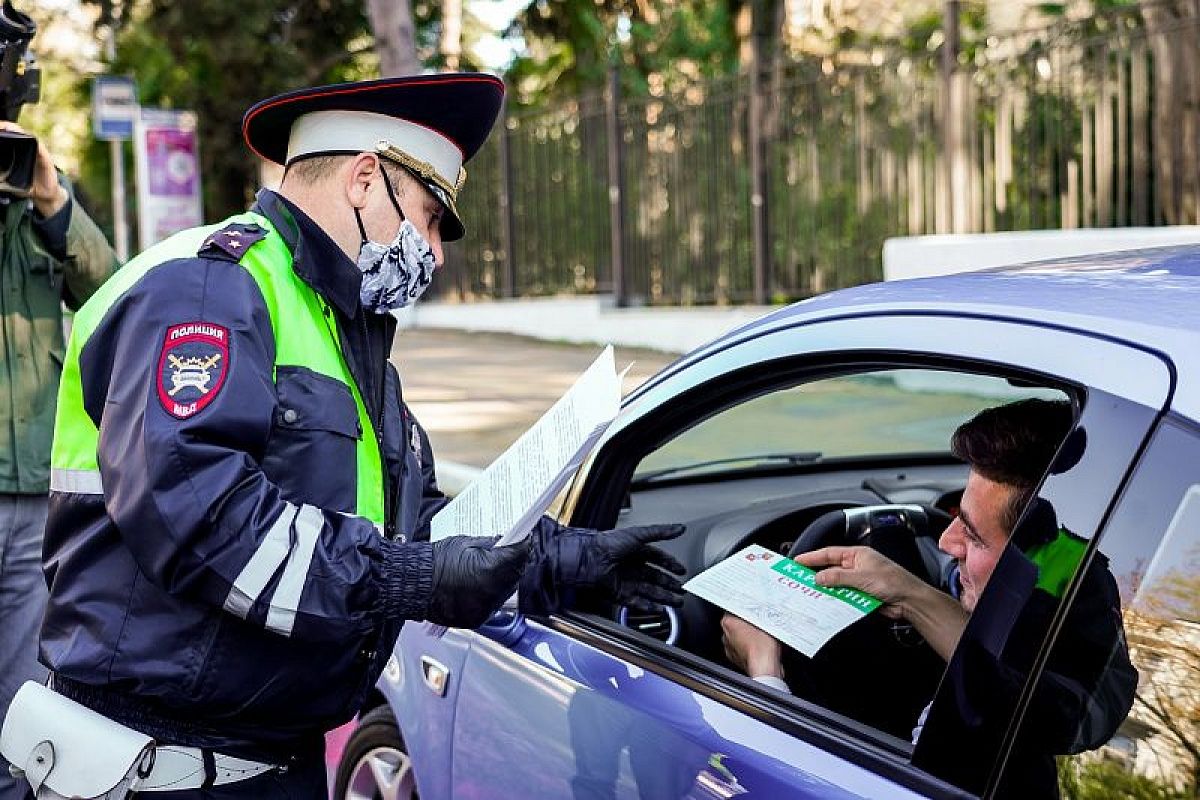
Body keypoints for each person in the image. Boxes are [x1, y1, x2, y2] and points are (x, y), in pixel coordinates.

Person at [15, 74, 684, 799]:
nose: (436, 249)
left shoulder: (344, 329)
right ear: (367, 179)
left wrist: (555, 560)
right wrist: (413, 580)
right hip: (158, 773)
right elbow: (200, 518)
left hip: (275, 763)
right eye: (430, 217)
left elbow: (413, 522)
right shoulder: (208, 288)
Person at [722, 398, 1136, 796]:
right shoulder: (1072, 576)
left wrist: (765, 675)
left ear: (1023, 571)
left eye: (972, 535)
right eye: (956, 519)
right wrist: (910, 593)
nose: (945, 541)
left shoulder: (1004, 738)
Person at [0, 3, 120, 797]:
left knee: (21, 696)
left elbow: (113, 291)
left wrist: (50, 200)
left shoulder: (44, 196)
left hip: (30, 496)